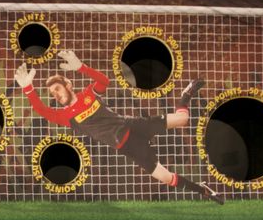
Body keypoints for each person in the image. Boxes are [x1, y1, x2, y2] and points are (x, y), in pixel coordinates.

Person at [15, 49, 224, 204]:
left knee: (182, 120)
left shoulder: (88, 95)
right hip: (128, 147)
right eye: (53, 93)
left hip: (132, 126)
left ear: (68, 85)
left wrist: (80, 67)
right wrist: (27, 88)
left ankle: (185, 96)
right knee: (165, 177)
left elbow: (104, 81)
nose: (56, 95)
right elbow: (43, 111)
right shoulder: (66, 116)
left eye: (58, 89)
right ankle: (203, 190)